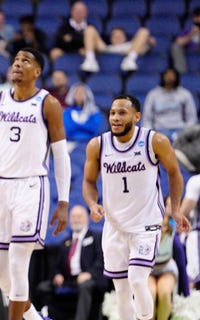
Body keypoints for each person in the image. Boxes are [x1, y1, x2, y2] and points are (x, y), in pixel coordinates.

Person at [0, 47, 71, 320]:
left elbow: (61, 156)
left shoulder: (48, 103)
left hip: (32, 187)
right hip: (1, 187)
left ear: (38, 71)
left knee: (18, 264)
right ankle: (34, 318)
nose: (18, 64)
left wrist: (64, 202)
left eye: (26, 61)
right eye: (16, 60)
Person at [82, 94, 190, 320]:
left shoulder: (155, 141)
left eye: (122, 112)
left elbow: (175, 173)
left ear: (137, 116)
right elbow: (89, 182)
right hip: (114, 227)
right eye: (112, 113)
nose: (116, 117)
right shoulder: (97, 145)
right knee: (121, 291)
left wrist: (177, 209)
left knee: (137, 279)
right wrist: (92, 204)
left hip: (146, 225)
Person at [39, 205, 105, 320]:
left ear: (87, 219)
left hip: (89, 279)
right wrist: (57, 275)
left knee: (85, 286)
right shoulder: (65, 242)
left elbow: (101, 262)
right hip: (69, 280)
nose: (76, 219)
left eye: (79, 216)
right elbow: (57, 266)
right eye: (73, 216)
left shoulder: (96, 238)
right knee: (43, 287)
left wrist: (89, 274)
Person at [142, 68, 197, 141]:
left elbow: (192, 118)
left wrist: (186, 133)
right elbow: (147, 118)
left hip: (180, 131)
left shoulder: (185, 94)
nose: (169, 78)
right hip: (159, 131)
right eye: (167, 75)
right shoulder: (153, 95)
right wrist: (150, 135)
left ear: (177, 78)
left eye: (172, 76)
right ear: (162, 77)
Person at [148, 202, 180, 320]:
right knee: (150, 293)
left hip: (167, 269)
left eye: (164, 226)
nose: (162, 229)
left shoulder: (172, 234)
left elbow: (181, 262)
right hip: (149, 270)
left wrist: (186, 292)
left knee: (164, 292)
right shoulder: (145, 234)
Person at [80, 26, 154, 72]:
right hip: (108, 50)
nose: (118, 38)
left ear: (125, 37)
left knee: (144, 31)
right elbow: (90, 45)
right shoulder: (106, 47)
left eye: (120, 36)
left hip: (129, 51)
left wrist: (150, 42)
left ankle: (130, 60)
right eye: (115, 36)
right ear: (111, 39)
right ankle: (90, 60)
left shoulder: (132, 46)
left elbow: (148, 45)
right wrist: (86, 50)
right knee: (89, 29)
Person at [171, 6, 200, 74]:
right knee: (175, 46)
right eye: (197, 16)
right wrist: (191, 34)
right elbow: (178, 42)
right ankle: (182, 73)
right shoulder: (188, 30)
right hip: (188, 49)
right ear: (194, 18)